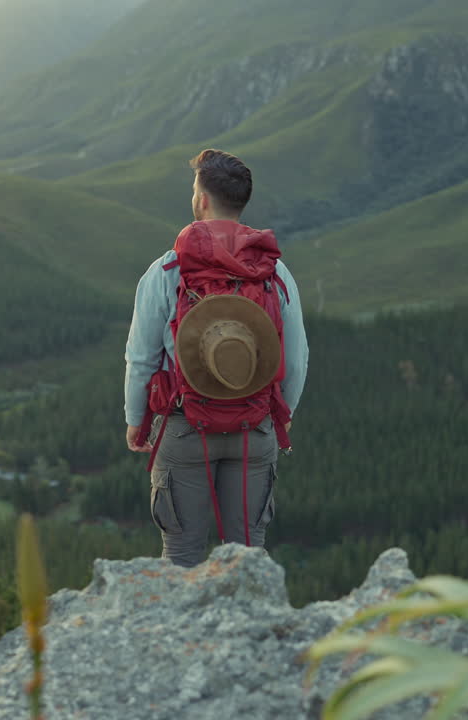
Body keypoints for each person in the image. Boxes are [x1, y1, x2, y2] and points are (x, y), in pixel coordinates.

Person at [123, 148, 308, 567]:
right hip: (254, 427)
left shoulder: (168, 270)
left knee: (181, 555)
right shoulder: (275, 273)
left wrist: (137, 420)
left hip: (185, 425)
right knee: (248, 557)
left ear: (202, 199)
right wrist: (284, 413)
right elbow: (296, 357)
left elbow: (142, 357)